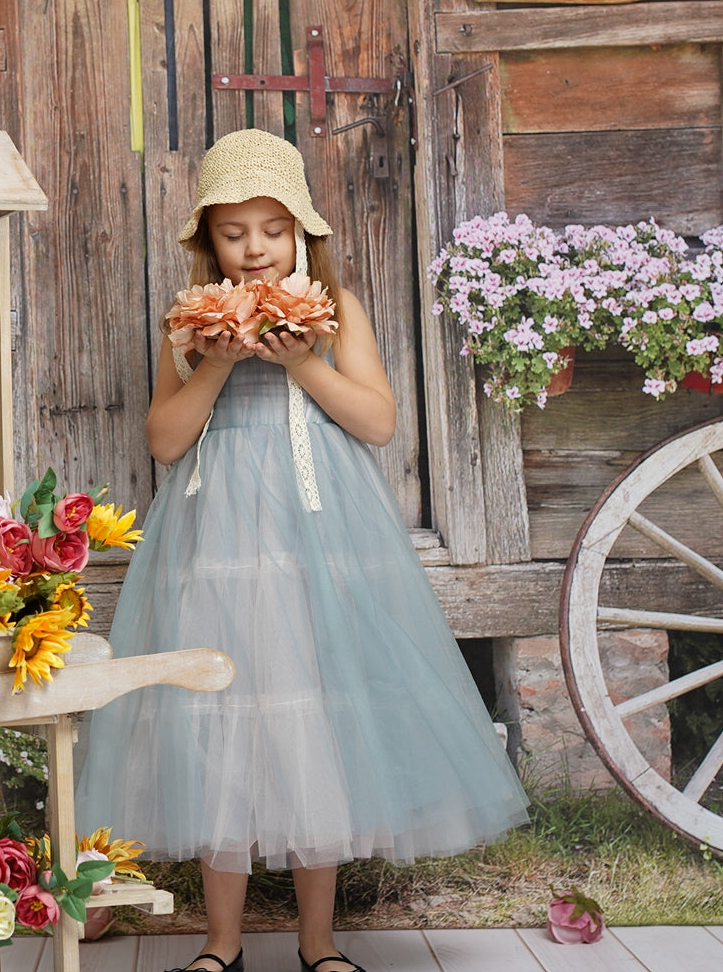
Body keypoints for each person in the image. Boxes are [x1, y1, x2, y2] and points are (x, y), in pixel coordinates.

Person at [75, 128, 530, 972]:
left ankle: (319, 942)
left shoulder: (337, 308)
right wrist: (211, 362)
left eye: (271, 229)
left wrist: (301, 363)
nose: (254, 250)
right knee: (216, 716)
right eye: (233, 232)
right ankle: (222, 943)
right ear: (208, 240)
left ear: (301, 232)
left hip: (319, 538)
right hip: (215, 544)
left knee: (316, 714)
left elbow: (379, 422)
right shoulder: (188, 319)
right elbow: (166, 444)